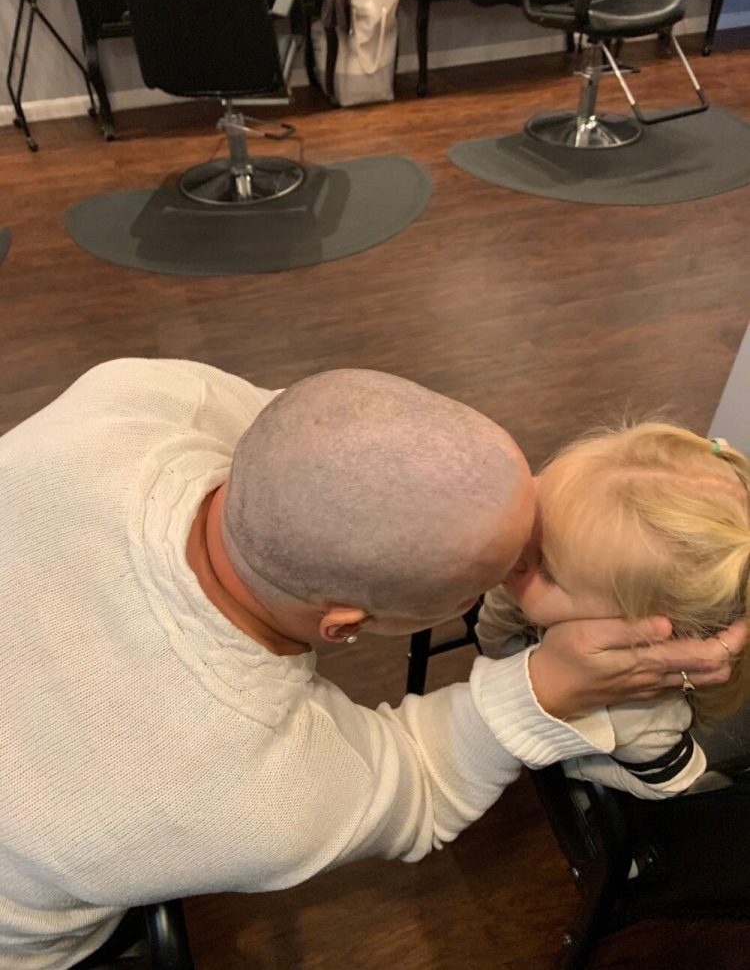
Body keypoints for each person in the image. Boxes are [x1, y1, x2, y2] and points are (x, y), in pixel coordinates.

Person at [0, 359, 743, 970]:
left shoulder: (127, 393)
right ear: (347, 622)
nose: (520, 567)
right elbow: (419, 783)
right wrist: (544, 688)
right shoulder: (246, 785)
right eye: (502, 565)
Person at [478, 422, 750, 800]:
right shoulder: (526, 587)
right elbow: (491, 640)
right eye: (532, 519)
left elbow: (672, 783)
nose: (515, 553)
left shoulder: (639, 720)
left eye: (546, 569)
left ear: (638, 628)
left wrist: (581, 766)